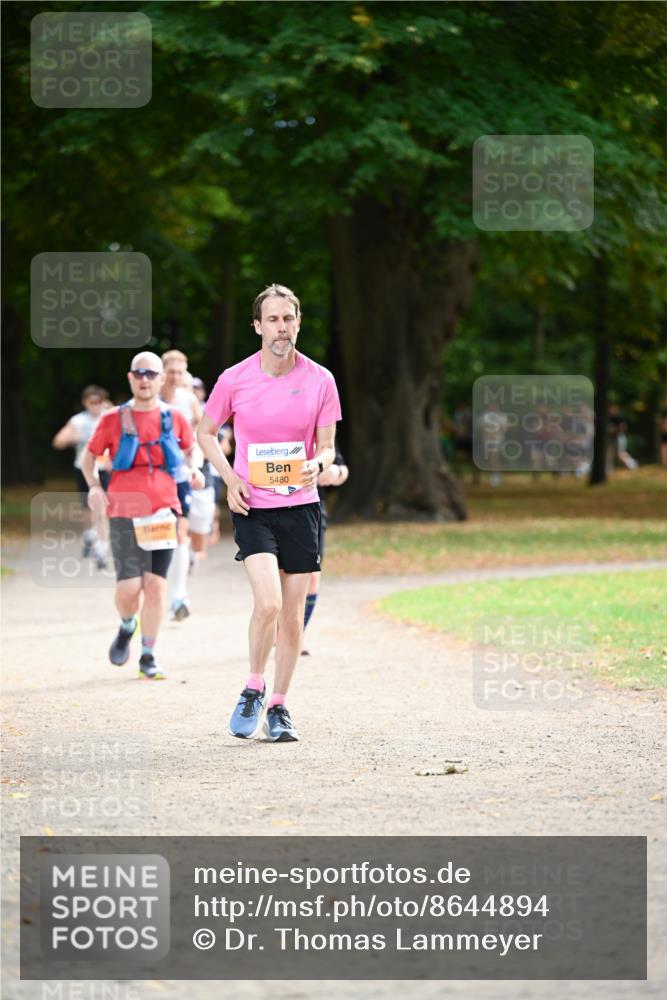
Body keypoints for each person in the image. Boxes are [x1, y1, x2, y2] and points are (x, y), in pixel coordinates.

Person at [197, 283, 342, 742]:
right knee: (269, 603)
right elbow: (205, 432)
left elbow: (326, 447)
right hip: (254, 505)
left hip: (301, 507)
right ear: (258, 326)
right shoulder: (234, 378)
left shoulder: (321, 379)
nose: (282, 327)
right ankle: (253, 686)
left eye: (289, 318)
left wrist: (318, 464)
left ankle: (279, 705)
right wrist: (229, 477)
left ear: (298, 322)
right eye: (273, 320)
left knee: (292, 615)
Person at [81, 352, 199, 680]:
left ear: (162, 379)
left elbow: (191, 449)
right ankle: (126, 625)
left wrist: (195, 469)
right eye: (139, 374)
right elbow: (88, 460)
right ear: (131, 378)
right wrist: (93, 487)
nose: (145, 379)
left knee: (156, 586)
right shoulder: (112, 419)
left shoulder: (174, 417)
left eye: (152, 374)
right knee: (129, 589)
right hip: (123, 512)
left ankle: (148, 653)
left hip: (163, 511)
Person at [160, 350, 205, 620]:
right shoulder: (149, 398)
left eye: (180, 372)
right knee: (153, 535)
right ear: (163, 372)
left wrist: (195, 466)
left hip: (179, 474)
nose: (175, 377)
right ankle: (153, 590)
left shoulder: (189, 401)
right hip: (151, 476)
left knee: (180, 531)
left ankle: (178, 595)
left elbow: (200, 435)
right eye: (171, 371)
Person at [52, 385, 111, 569]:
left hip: (103, 469)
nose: (95, 405)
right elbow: (58, 441)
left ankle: (101, 549)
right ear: (85, 403)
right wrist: (73, 438)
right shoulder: (78, 421)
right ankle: (89, 535)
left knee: (102, 509)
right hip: (83, 468)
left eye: (99, 401)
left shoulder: (109, 417)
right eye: (91, 402)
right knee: (88, 508)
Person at [301, 444, 349, 656]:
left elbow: (341, 467)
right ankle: (279, 628)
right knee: (282, 575)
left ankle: (297, 632)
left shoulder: (319, 425)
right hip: (274, 506)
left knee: (312, 575)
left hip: (313, 508)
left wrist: (334, 473)